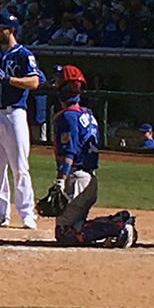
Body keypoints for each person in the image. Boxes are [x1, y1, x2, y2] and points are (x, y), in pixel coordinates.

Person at [0, 0, 43, 228]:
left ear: (11, 30)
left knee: (19, 166)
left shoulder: (23, 54)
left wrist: (9, 80)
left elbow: (34, 82)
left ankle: (27, 214)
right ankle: (0, 214)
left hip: (13, 113)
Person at [50, 72, 102, 218]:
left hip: (76, 178)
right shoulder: (87, 114)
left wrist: (60, 180)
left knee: (66, 229)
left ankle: (118, 225)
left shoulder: (68, 117)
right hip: (89, 178)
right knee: (77, 224)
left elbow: (69, 152)